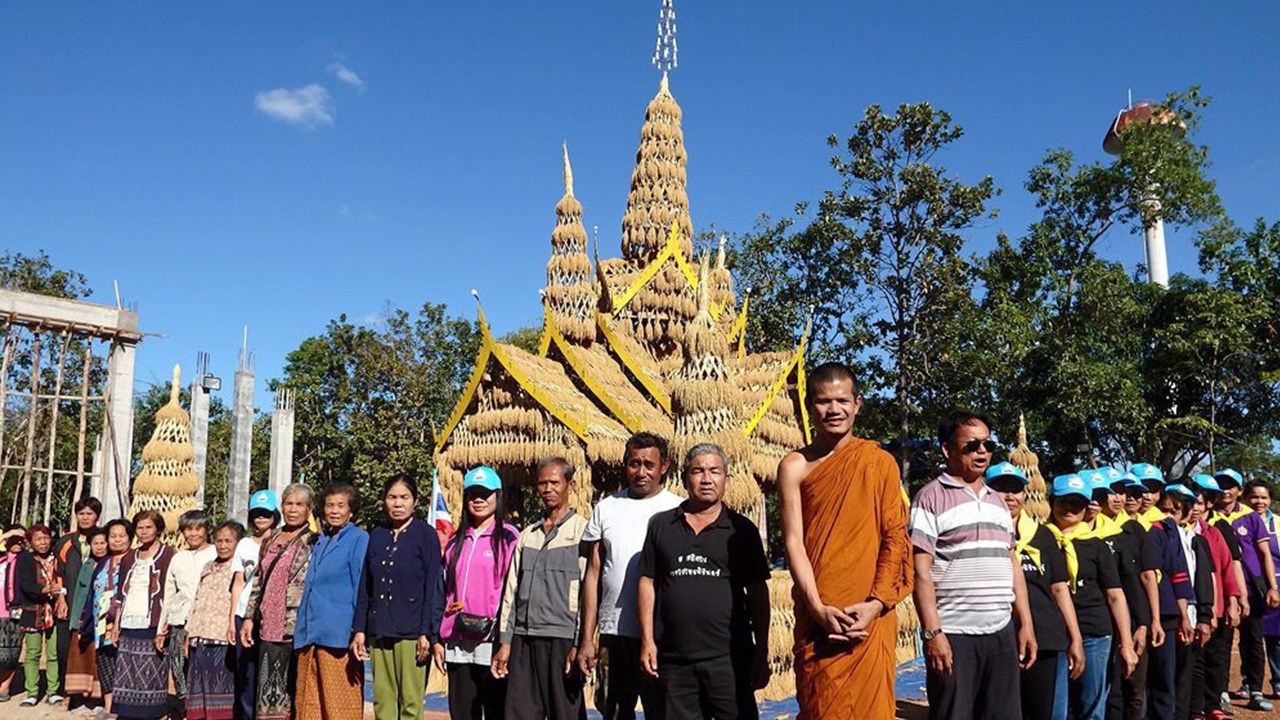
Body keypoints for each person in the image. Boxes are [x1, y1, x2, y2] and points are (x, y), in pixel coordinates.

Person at [776, 362, 913, 719]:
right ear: (810, 406)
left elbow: (895, 538)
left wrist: (876, 604)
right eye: (824, 401)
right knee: (822, 706)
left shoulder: (879, 462)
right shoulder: (794, 466)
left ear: (857, 404)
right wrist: (818, 608)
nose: (833, 409)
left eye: (842, 401)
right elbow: (794, 543)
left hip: (871, 615)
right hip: (819, 614)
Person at [910, 409, 1036, 720]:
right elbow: (920, 570)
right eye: (972, 445)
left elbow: (1012, 564)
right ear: (947, 449)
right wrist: (933, 633)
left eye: (988, 445)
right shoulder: (930, 498)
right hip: (954, 634)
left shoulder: (998, 502)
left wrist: (1025, 623)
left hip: (1001, 633)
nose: (982, 451)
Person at [637, 443, 771, 720]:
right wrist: (648, 641)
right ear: (685, 478)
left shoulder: (741, 531)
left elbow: (758, 593)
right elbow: (647, 582)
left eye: (715, 471)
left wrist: (762, 651)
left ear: (726, 480)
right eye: (698, 471)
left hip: (730, 660)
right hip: (674, 662)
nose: (707, 479)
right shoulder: (661, 525)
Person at [578, 432, 683, 720]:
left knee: (662, 711)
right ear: (625, 465)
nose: (641, 472)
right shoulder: (606, 508)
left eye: (649, 465)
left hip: (661, 635)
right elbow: (593, 575)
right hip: (614, 633)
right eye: (634, 463)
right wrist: (587, 637)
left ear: (665, 466)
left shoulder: (678, 510)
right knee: (613, 711)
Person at [492, 457, 590, 720]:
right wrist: (505, 642)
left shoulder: (583, 533)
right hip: (524, 639)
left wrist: (580, 643)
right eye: (542, 483)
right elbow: (511, 592)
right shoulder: (528, 536)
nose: (548, 489)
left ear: (570, 485)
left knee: (566, 713)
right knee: (518, 713)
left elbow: (589, 595)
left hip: (563, 640)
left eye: (555, 483)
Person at [985, 462, 1083, 720]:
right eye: (1001, 488)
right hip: (997, 637)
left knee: (1039, 711)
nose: (1009, 496)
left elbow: (1059, 588)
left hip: (1044, 637)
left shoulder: (1043, 535)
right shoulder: (981, 534)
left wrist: (1075, 637)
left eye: (1015, 489)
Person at [1046, 473, 1138, 720]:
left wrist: (1126, 643)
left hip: (1094, 633)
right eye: (1064, 501)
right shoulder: (1041, 541)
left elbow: (1115, 595)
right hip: (1054, 635)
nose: (1070, 508)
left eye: (1078, 502)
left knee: (1092, 708)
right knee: (1055, 710)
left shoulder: (1097, 545)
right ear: (1052, 502)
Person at [352, 475, 443, 720]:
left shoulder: (426, 535)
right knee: (383, 701)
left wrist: (426, 632)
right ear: (384, 501)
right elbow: (366, 586)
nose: (398, 503)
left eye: (404, 497)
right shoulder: (377, 535)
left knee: (411, 702)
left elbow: (432, 587)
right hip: (380, 628)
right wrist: (360, 629)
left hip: (412, 632)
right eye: (392, 497)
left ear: (415, 501)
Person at [431, 466, 518, 720]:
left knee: (495, 712)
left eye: (485, 494)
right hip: (457, 641)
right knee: (461, 713)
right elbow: (441, 590)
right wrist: (437, 638)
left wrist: (507, 641)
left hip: (491, 642)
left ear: (497, 496)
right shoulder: (455, 541)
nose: (478, 500)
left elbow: (514, 592)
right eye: (473, 494)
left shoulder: (509, 538)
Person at [241, 483, 317, 720]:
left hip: (297, 626)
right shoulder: (271, 538)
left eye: (299, 504)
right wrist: (248, 617)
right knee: (267, 686)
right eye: (288, 503)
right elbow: (258, 581)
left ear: (309, 509)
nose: (293, 509)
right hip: (268, 625)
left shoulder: (314, 541)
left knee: (295, 687)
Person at [293, 483, 369, 720]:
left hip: (338, 636)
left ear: (351, 511)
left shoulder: (359, 538)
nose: (334, 511)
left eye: (341, 506)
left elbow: (361, 586)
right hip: (309, 634)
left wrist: (358, 630)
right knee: (308, 704)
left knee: (339, 706)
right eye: (329, 505)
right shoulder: (321, 539)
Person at [1211, 468, 1280, 712]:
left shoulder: (1251, 517)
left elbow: (1265, 554)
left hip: (1252, 589)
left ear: (1239, 491)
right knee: (1221, 642)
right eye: (1221, 485)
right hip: (1220, 590)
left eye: (1231, 486)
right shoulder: (1207, 515)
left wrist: (1272, 587)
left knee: (1253, 640)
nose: (1225, 490)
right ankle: (1219, 692)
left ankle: (1255, 691)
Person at [1098, 468, 1155, 720]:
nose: (1118, 498)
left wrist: (1145, 622)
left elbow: (1140, 579)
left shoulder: (1132, 530)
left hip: (1131, 618)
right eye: (1112, 492)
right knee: (1109, 691)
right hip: (1098, 622)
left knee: (1134, 687)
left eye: (1122, 492)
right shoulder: (1085, 533)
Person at [110, 510, 176, 719]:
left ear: (158, 529)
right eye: (140, 527)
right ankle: (129, 714)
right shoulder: (129, 557)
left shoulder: (168, 555)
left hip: (153, 623)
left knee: (152, 671)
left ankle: (153, 714)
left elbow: (171, 592)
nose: (144, 531)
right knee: (127, 670)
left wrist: (165, 627)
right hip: (129, 621)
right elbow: (121, 593)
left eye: (149, 527)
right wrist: (117, 625)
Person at [185, 520, 245, 720]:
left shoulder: (239, 569)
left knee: (221, 687)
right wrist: (189, 633)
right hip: (199, 636)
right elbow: (197, 599)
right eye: (219, 541)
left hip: (222, 637)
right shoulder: (208, 566)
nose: (223, 545)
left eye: (228, 541)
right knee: (198, 688)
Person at [159, 510, 217, 706]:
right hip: (179, 620)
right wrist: (161, 628)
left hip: (206, 622)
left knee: (203, 668)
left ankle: (201, 709)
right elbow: (169, 594)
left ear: (207, 530)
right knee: (178, 668)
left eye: (198, 528)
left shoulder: (216, 553)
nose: (193, 534)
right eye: (188, 529)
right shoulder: (179, 557)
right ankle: (183, 710)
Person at [230, 489, 280, 720]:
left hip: (270, 615)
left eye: (266, 513)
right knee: (246, 674)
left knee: (270, 671)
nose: (261, 518)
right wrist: (232, 619)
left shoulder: (282, 542)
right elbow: (238, 582)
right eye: (257, 513)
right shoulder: (244, 544)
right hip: (243, 615)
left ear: (275, 515)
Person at [83, 518, 133, 716]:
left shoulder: (135, 559)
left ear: (130, 538)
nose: (117, 540)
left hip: (126, 622)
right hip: (102, 624)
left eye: (122, 536)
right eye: (113, 536)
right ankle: (108, 705)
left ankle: (125, 707)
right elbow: (92, 592)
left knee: (125, 663)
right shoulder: (103, 562)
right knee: (105, 663)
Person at [54, 497, 102, 701]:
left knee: (92, 649)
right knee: (64, 648)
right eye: (81, 513)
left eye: (89, 513)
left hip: (95, 604)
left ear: (97, 516)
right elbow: (59, 571)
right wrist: (61, 599)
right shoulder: (66, 541)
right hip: (69, 600)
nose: (85, 517)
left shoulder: (103, 539)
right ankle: (66, 691)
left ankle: (93, 693)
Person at [17, 523, 62, 707]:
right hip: (32, 612)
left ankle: (53, 691)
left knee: (53, 653)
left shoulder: (57, 557)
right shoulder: (25, 560)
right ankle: (32, 692)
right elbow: (26, 585)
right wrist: (46, 589)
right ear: (30, 542)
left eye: (46, 538)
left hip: (55, 612)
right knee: (33, 653)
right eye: (38, 539)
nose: (43, 543)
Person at [64, 527, 108, 708]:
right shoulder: (88, 564)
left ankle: (100, 698)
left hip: (102, 617)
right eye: (95, 543)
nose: (99, 547)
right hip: (83, 615)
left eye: (102, 543)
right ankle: (82, 696)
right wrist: (76, 620)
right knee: (82, 656)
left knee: (99, 659)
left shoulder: (111, 563)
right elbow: (80, 593)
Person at [1244, 480, 1280, 700]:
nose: (1259, 501)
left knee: (1276, 637)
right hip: (1249, 586)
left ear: (1270, 500)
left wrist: (1274, 588)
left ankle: (1278, 681)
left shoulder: (1278, 523)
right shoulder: (1240, 521)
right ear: (1245, 498)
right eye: (1254, 497)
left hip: (1276, 585)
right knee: (1250, 636)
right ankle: (1248, 681)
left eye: (1264, 497)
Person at [0, 525, 28, 703]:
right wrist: (7, 535)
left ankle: (4, 687)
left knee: (12, 652)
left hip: (17, 612)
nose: (17, 542)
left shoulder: (27, 560)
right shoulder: (1, 559)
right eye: (13, 539)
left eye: (21, 540)